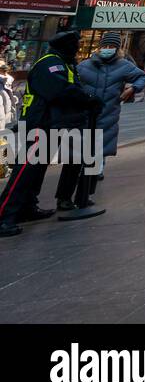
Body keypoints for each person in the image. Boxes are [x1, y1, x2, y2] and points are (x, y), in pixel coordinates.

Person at [0, 31, 97, 237]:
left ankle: (27, 207)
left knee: (35, 172)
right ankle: (4, 215)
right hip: (38, 124)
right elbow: (60, 91)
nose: (78, 48)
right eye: (75, 45)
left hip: (50, 124)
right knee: (24, 173)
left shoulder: (63, 63)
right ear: (66, 46)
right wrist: (87, 98)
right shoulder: (50, 64)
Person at [61, 32, 145, 216]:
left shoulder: (124, 66)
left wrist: (132, 88)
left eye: (111, 47)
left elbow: (142, 77)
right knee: (74, 159)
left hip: (106, 117)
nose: (107, 50)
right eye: (105, 46)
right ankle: (64, 198)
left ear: (118, 49)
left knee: (95, 157)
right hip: (83, 118)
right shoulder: (84, 66)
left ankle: (85, 195)